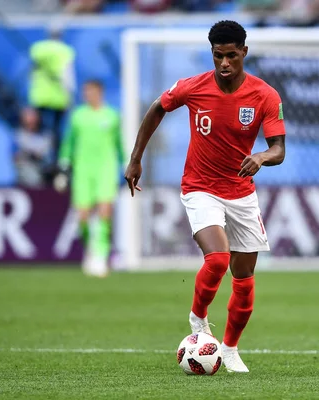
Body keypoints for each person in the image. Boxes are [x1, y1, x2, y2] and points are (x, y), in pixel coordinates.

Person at [124, 20, 286, 373]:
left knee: (244, 280)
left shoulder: (265, 95)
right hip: (200, 187)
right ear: (211, 54)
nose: (224, 63)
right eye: (218, 56)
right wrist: (136, 158)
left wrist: (260, 156)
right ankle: (198, 321)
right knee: (217, 259)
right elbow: (156, 108)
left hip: (241, 193)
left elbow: (279, 150)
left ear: (244, 52)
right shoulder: (193, 87)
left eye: (231, 55)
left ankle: (229, 349)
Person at [55, 80, 125, 277]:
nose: (88, 95)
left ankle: (101, 256)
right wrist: (63, 166)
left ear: (100, 93)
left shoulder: (112, 116)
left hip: (106, 169)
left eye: (92, 92)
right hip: (83, 171)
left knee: (104, 211)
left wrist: (126, 164)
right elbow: (69, 143)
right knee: (83, 216)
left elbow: (119, 142)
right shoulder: (78, 116)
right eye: (86, 92)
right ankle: (89, 250)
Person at [28, 24, 76, 161]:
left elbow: (32, 73)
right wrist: (70, 96)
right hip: (57, 97)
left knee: (40, 131)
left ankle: (40, 157)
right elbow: (67, 75)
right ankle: (54, 160)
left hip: (39, 96)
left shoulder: (37, 49)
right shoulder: (65, 51)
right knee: (56, 132)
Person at [14, 108, 53, 187]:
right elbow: (15, 157)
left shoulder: (47, 136)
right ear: (23, 119)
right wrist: (29, 155)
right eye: (28, 117)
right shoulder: (17, 136)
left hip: (44, 168)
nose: (31, 120)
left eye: (33, 117)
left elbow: (49, 155)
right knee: (32, 176)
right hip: (27, 171)